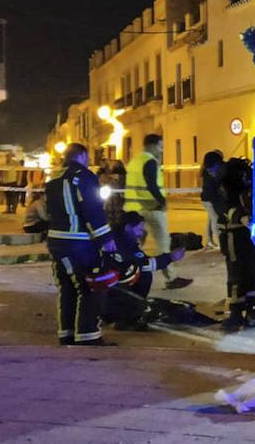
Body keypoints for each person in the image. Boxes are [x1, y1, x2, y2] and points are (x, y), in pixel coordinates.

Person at [46, 143, 116, 346]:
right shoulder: (84, 176)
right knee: (89, 286)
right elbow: (92, 209)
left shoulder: (54, 178)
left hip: (57, 240)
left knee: (67, 288)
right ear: (83, 156)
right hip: (77, 241)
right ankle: (88, 335)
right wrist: (105, 238)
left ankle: (66, 333)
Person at [101, 210, 185, 330]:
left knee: (141, 274)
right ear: (128, 227)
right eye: (139, 229)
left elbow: (141, 260)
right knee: (143, 275)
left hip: (111, 286)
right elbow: (142, 264)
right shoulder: (120, 243)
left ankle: (127, 313)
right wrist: (170, 257)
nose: (141, 233)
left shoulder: (125, 239)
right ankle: (124, 317)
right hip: (111, 288)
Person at [123, 134, 187, 289]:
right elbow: (151, 185)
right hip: (152, 209)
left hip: (135, 210)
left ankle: (125, 272)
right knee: (163, 243)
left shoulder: (134, 162)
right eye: (160, 146)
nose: (162, 150)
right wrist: (162, 201)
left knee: (132, 245)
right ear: (151, 146)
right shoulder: (150, 162)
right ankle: (171, 278)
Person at [219, 158, 255, 330]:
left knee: (243, 274)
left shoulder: (238, 189)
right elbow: (229, 209)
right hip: (239, 237)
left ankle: (243, 313)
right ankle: (244, 313)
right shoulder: (236, 189)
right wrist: (242, 218)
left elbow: (232, 208)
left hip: (241, 236)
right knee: (243, 274)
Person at [199, 150, 224, 250]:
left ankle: (209, 240)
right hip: (210, 199)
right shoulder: (211, 170)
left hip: (206, 198)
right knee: (215, 220)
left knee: (210, 219)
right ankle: (220, 243)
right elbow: (214, 185)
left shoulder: (205, 169)